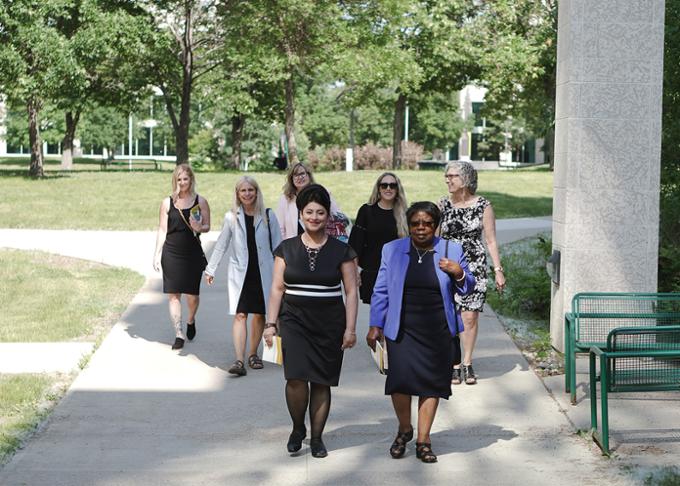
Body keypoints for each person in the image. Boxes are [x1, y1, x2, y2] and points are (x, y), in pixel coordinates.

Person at [367, 201, 475, 463]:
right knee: (399, 382)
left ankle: (424, 440)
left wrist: (458, 272)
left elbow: (467, 288)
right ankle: (405, 429)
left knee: (431, 384)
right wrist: (375, 324)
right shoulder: (392, 250)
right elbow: (381, 290)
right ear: (409, 225)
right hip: (402, 327)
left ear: (435, 226)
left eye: (427, 223)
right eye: (415, 223)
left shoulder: (451, 249)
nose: (421, 228)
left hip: (437, 328)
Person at [264, 184, 358, 459]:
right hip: (293, 320)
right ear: (300, 215)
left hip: (329, 323)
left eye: (320, 212)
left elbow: (351, 292)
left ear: (328, 215)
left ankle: (317, 437)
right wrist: (271, 324)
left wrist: (350, 329)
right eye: (309, 212)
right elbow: (276, 289)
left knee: (321, 382)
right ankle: (297, 429)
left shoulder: (343, 251)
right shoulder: (286, 249)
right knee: (295, 378)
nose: (314, 217)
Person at [204, 176, 282, 376]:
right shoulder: (231, 217)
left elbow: (279, 247)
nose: (247, 194)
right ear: (237, 194)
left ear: (257, 192)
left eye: (250, 190)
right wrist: (211, 269)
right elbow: (222, 244)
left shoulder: (268, 215)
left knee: (259, 314)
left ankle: (253, 354)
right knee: (240, 314)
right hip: (241, 273)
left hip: (263, 272)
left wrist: (284, 274)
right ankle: (239, 360)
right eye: (243, 191)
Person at [438, 161, 505, 385]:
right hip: (447, 265)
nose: (448, 180)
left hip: (474, 266)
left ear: (466, 179)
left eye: (453, 176)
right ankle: (453, 363)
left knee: (470, 315)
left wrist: (498, 270)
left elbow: (491, 240)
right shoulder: (442, 205)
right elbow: (434, 239)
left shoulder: (483, 205)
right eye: (447, 176)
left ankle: (467, 362)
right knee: (451, 315)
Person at [153, 164, 211, 350]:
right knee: (173, 295)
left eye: (185, 179)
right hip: (171, 252)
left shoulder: (200, 202)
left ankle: (191, 319)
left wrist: (199, 228)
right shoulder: (167, 203)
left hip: (192, 253)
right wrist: (156, 253)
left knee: (192, 296)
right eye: (179, 179)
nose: (183, 182)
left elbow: (208, 226)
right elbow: (162, 229)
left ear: (191, 180)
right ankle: (178, 332)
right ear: (175, 181)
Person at [349, 172, 409, 304]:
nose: (388, 188)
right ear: (378, 188)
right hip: (372, 273)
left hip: (398, 273)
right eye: (384, 185)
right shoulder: (366, 211)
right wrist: (354, 272)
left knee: (396, 317)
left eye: (393, 186)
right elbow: (355, 244)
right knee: (378, 319)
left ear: (398, 189)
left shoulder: (405, 214)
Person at [275, 162, 341, 240]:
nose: (299, 178)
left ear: (309, 175)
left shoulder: (323, 193)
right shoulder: (285, 199)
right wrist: (286, 248)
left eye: (302, 174)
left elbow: (337, 218)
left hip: (321, 244)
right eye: (295, 175)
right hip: (294, 247)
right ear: (291, 179)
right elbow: (280, 228)